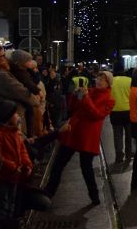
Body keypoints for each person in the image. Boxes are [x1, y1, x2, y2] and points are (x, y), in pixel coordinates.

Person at [46, 71, 114, 205]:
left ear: (108, 84)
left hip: (87, 136)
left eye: (103, 80)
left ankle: (94, 195)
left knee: (86, 167)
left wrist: (86, 98)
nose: (99, 81)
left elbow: (96, 114)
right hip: (73, 131)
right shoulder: (89, 91)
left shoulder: (109, 100)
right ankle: (48, 192)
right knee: (58, 164)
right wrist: (75, 96)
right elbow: (73, 108)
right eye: (98, 78)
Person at [0, 100, 34, 229]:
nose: (18, 116)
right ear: (7, 117)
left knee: (11, 205)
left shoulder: (15, 132)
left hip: (15, 177)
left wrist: (27, 164)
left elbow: (22, 150)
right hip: (3, 177)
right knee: (2, 206)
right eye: (15, 114)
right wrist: (14, 167)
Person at [0, 45, 38, 128]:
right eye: (3, 55)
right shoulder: (0, 76)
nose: (5, 58)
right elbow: (21, 92)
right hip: (7, 122)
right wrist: (36, 100)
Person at [109, 67, 134, 163]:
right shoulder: (130, 80)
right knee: (129, 135)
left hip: (115, 112)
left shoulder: (111, 81)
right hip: (128, 111)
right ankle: (129, 154)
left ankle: (119, 155)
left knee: (117, 136)